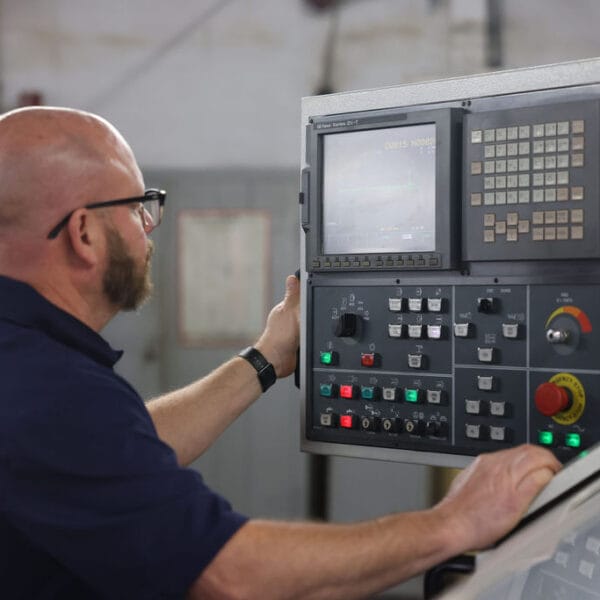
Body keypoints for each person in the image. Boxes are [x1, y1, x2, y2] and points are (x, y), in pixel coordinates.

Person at [0, 106, 561, 600]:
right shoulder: (48, 386)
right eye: (138, 208)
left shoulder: (27, 364)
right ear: (84, 234)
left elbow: (116, 447)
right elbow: (232, 576)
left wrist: (267, 357)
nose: (149, 229)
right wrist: (457, 523)